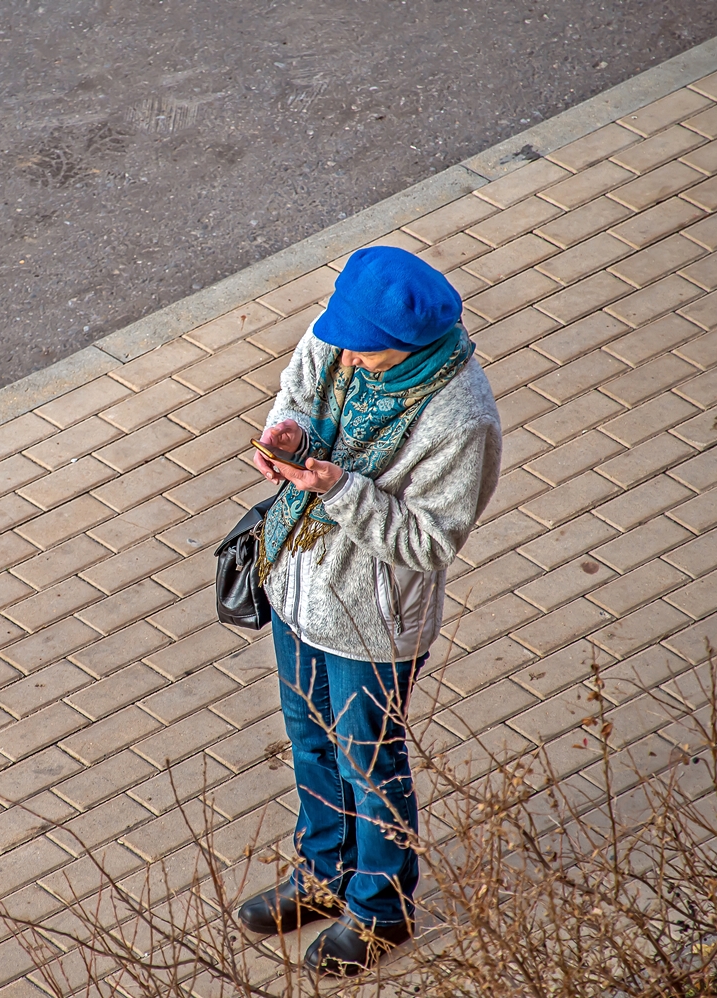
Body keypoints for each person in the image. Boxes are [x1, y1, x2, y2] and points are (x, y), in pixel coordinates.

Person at [237, 245, 502, 976]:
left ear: (408, 345)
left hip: (372, 625)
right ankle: (321, 874)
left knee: (368, 763)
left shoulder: (460, 420)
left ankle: (381, 910)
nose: (346, 359)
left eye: (364, 353)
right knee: (308, 738)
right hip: (298, 587)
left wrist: (339, 490)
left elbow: (429, 540)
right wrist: (284, 436)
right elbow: (297, 390)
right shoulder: (338, 335)